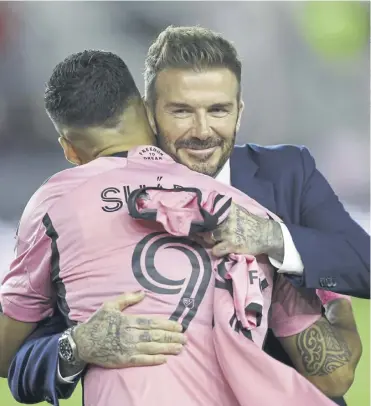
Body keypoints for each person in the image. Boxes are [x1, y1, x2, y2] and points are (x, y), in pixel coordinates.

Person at [2, 26, 369, 405]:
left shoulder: (284, 177)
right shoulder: (235, 206)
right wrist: (74, 346)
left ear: (239, 112)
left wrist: (277, 241)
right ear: (149, 113)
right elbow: (23, 356)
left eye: (218, 110)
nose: (201, 130)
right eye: (181, 111)